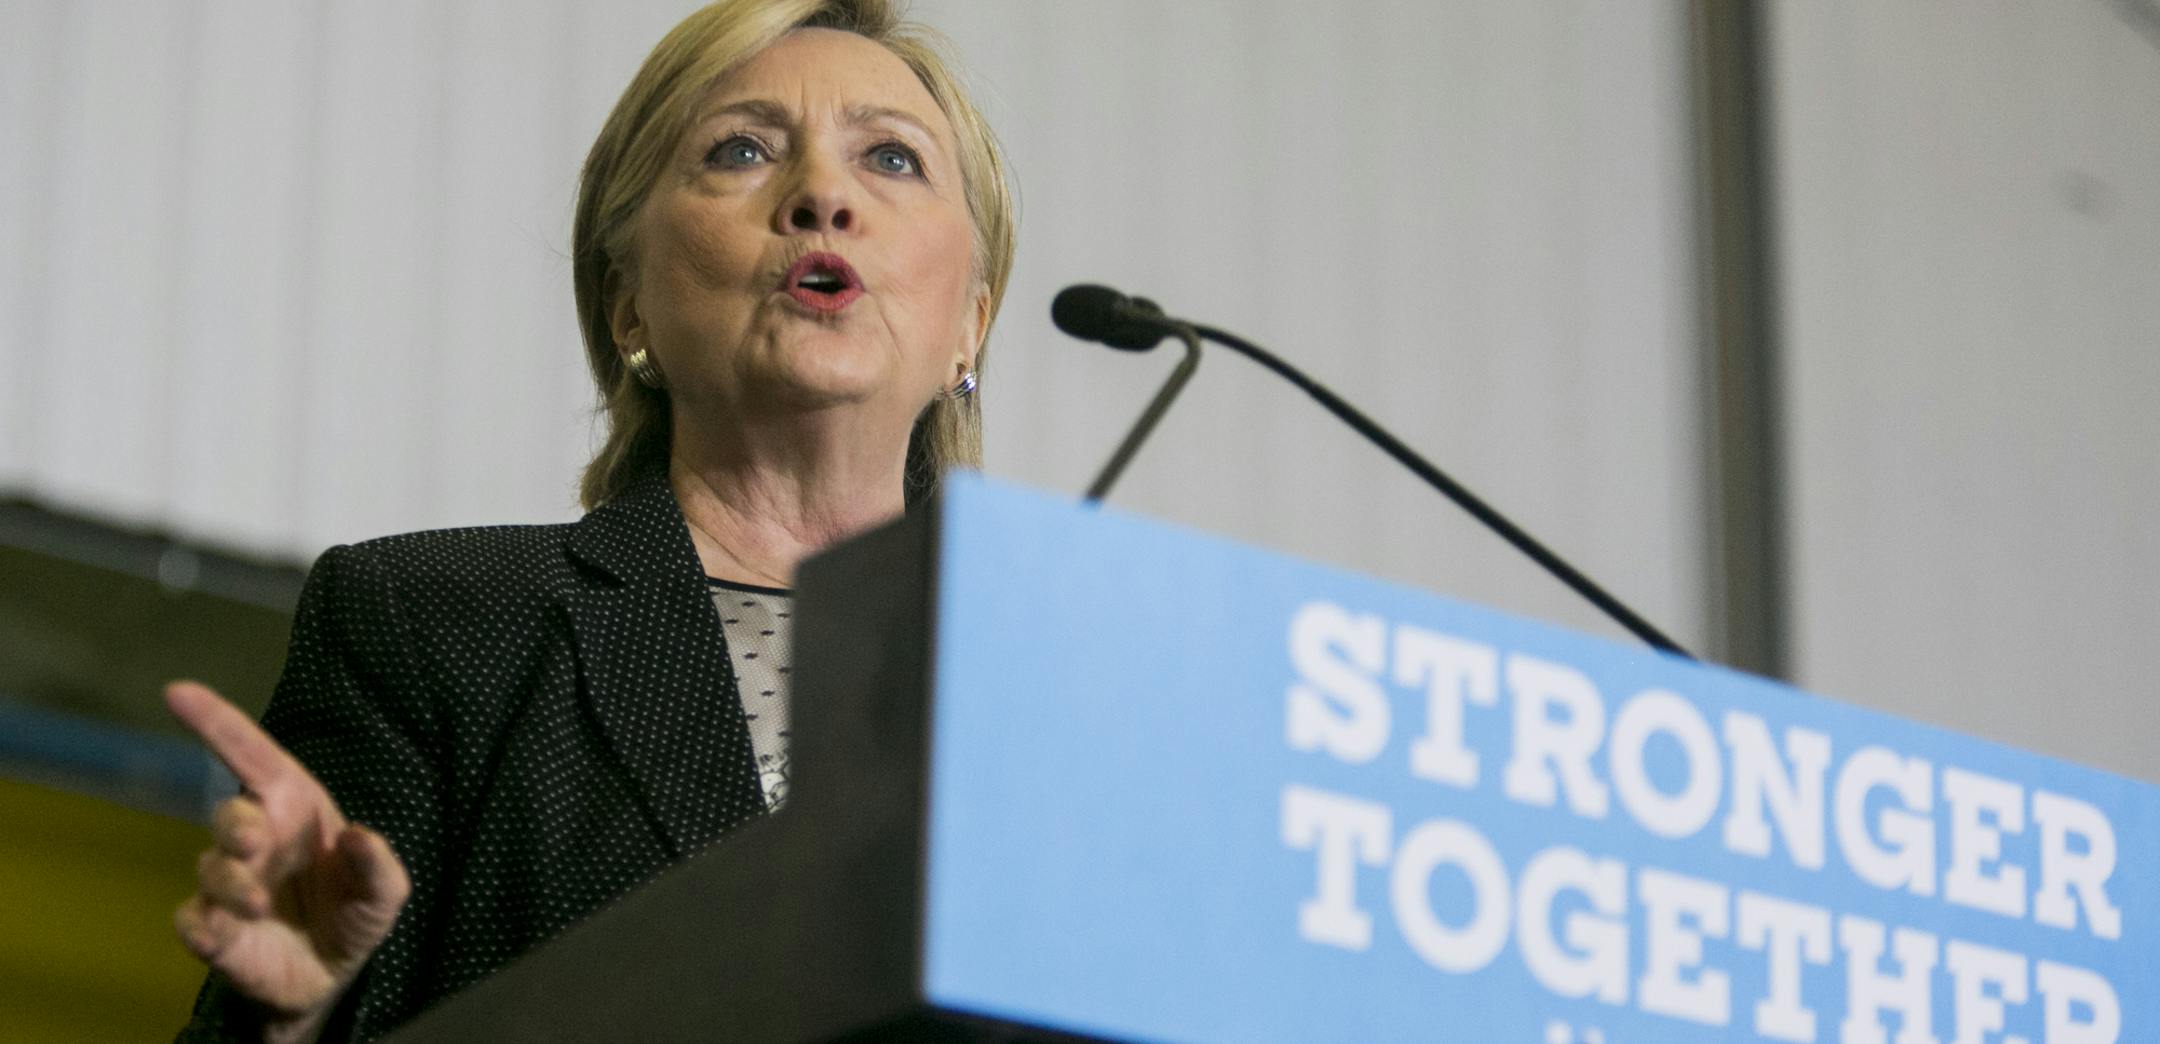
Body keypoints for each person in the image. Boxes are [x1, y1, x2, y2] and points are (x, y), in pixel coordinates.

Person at [166, 0, 1016, 1038]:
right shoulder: (432, 629)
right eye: (741, 150)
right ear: (629, 308)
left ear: (970, 321)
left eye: (891, 160)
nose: (822, 196)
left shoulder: (1065, 701)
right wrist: (290, 1019)